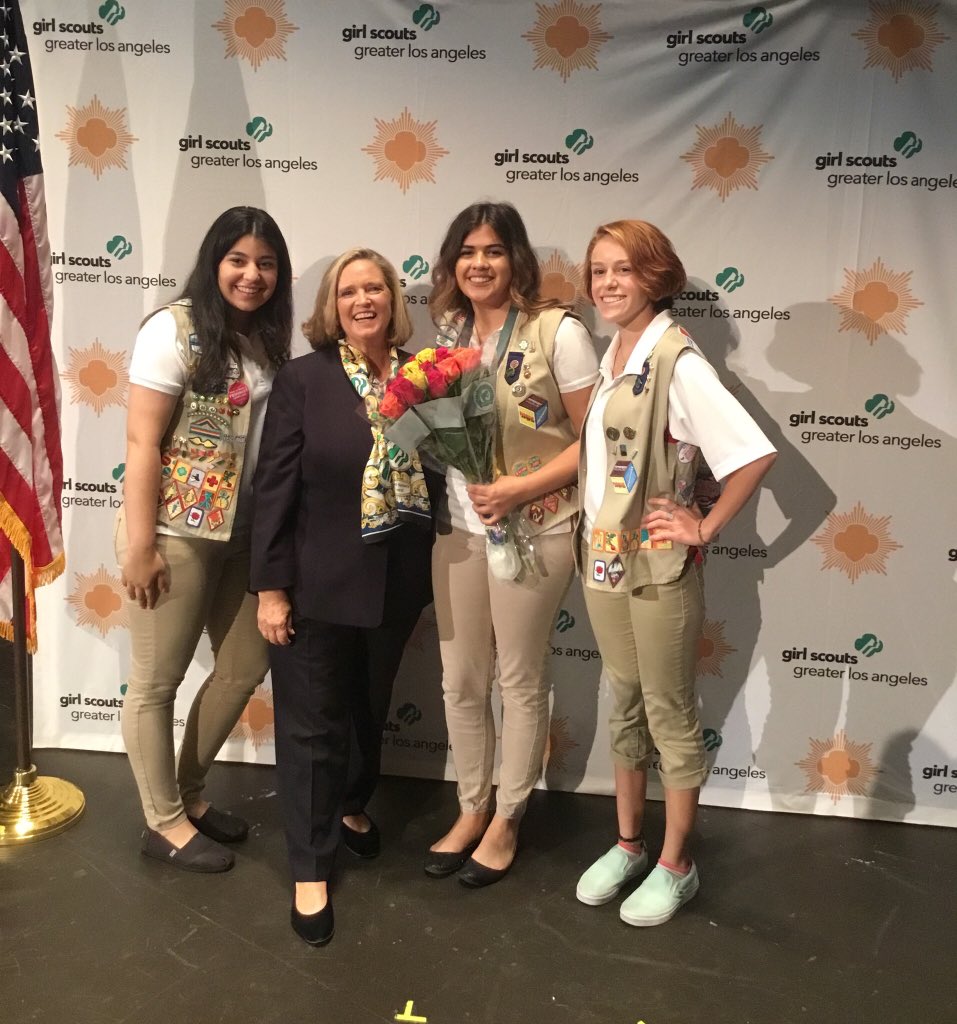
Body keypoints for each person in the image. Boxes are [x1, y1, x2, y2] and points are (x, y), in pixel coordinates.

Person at [574, 219, 777, 925]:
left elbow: (751, 455)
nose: (606, 283)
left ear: (655, 277)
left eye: (622, 269)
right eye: (597, 270)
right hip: (603, 562)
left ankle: (675, 863)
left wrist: (705, 524)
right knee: (623, 702)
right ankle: (630, 845)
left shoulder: (678, 362)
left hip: (658, 570)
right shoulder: (615, 355)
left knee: (667, 713)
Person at [250, 248, 438, 947]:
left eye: (375, 287)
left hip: (395, 583)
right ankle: (309, 865)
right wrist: (271, 588)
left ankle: (351, 806)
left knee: (367, 709)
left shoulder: (423, 378)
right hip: (315, 586)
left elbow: (442, 472)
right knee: (310, 727)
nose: (364, 300)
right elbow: (273, 488)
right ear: (332, 306)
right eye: (349, 290)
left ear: (393, 298)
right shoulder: (305, 379)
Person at [425, 201, 599, 887]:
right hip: (460, 533)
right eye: (466, 251)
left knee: (518, 679)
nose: (478, 263)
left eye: (493, 251)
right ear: (451, 263)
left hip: (537, 528)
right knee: (460, 681)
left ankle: (507, 817)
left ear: (516, 260)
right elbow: (434, 429)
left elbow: (596, 440)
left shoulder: (558, 332)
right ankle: (470, 807)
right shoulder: (448, 335)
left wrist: (519, 492)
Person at [117, 206, 293, 873]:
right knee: (156, 681)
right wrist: (140, 545)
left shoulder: (268, 343)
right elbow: (140, 442)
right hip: (173, 533)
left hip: (244, 537)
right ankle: (161, 821)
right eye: (239, 260)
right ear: (214, 262)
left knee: (245, 665)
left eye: (266, 263)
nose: (252, 275)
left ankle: (186, 798)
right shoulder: (175, 329)